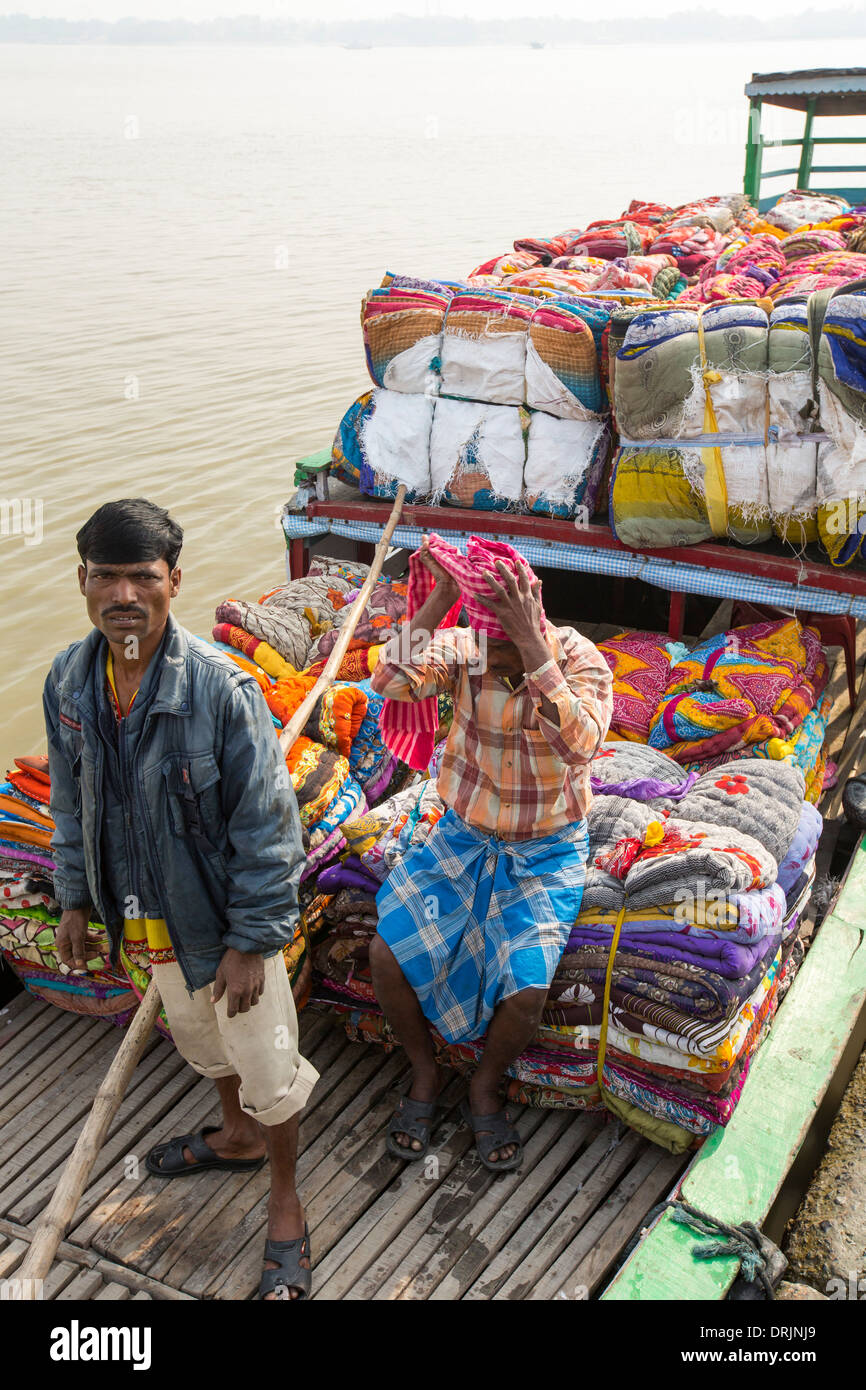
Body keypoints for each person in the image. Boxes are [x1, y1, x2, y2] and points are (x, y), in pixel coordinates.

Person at [43, 498, 317, 1301]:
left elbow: (270, 830)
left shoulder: (220, 692)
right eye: (106, 576)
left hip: (224, 930)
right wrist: (73, 901)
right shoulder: (68, 679)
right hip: (144, 923)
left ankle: (285, 1196)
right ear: (83, 582)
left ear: (174, 582)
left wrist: (249, 941)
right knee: (199, 1041)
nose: (124, 594)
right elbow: (69, 800)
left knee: (266, 1064)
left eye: (143, 576)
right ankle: (233, 1137)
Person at [369, 536, 613, 1171]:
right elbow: (389, 681)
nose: (493, 657)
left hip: (547, 847)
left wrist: (532, 648)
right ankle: (423, 1072)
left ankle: (485, 1086)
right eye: (490, 643)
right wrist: (441, 601)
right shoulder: (466, 648)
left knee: (527, 989)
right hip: (463, 834)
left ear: (534, 618)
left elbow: (582, 746)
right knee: (385, 953)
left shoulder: (579, 660)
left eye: (506, 643)